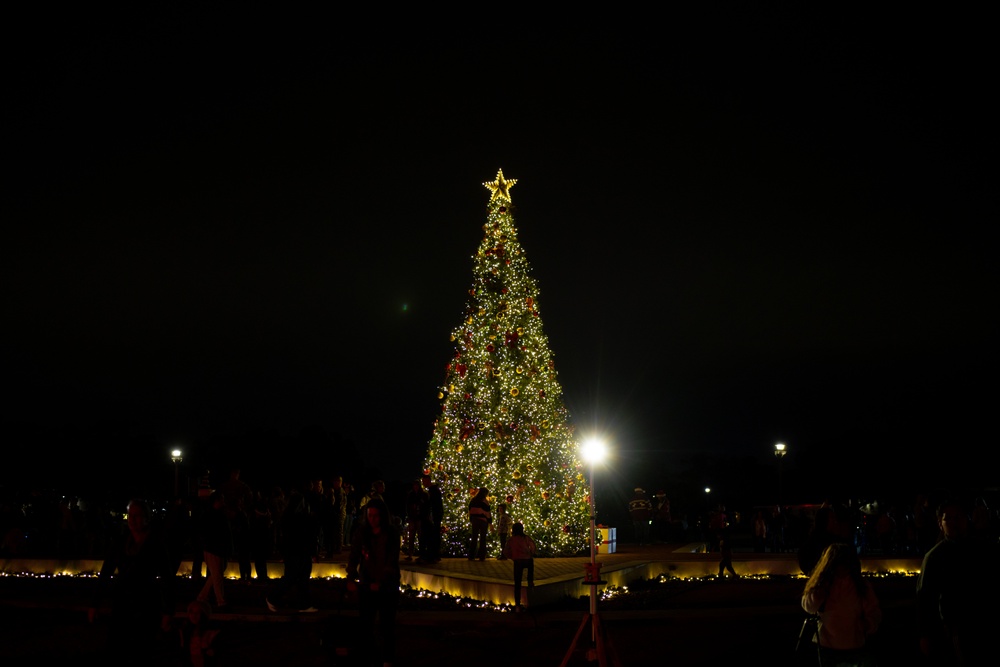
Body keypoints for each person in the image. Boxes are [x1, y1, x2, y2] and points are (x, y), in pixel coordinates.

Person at [89, 498, 176, 665]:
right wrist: (95, 603)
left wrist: (168, 611)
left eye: (137, 516)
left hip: (147, 603)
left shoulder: (156, 544)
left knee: (142, 650)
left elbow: (167, 578)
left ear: (146, 518)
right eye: (130, 515)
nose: (132, 520)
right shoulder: (121, 543)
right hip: (122, 603)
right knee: (117, 648)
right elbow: (105, 573)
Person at [916, 498, 996, 665]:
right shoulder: (934, 557)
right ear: (940, 523)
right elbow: (925, 599)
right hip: (952, 630)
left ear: (966, 519)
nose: (954, 522)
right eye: (948, 518)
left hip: (982, 626)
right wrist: (926, 634)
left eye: (958, 517)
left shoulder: (982, 551)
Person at [801, 542, 881, 667]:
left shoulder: (860, 585)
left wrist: (867, 624)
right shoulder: (826, 584)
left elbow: (873, 612)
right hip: (831, 647)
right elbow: (809, 606)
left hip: (847, 646)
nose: (842, 567)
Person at [347, 497, 401, 667]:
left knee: (387, 624)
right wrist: (351, 576)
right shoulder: (362, 533)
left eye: (376, 516)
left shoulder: (391, 534)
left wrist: (382, 582)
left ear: (383, 516)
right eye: (370, 516)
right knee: (366, 624)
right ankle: (368, 656)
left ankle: (387, 659)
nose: (372, 519)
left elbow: (392, 560)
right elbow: (354, 555)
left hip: (387, 585)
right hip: (366, 583)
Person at [266, 486, 319, 612]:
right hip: (298, 552)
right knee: (295, 577)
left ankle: (303, 604)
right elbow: (305, 535)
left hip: (295, 552)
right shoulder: (299, 518)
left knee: (299, 577)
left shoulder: (289, 517)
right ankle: (273, 598)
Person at [197, 491, 232, 610]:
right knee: (217, 576)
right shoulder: (214, 515)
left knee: (215, 574)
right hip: (214, 548)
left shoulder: (211, 514)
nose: (223, 501)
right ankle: (220, 601)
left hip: (214, 548)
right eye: (221, 499)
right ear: (216, 501)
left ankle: (202, 597)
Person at [175, 599, 221, 667]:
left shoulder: (211, 633)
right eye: (192, 612)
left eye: (198, 613)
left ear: (203, 614)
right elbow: (183, 652)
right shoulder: (184, 632)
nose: (194, 615)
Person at [502, 521, 536, 611]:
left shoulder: (511, 540)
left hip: (518, 561)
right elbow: (532, 546)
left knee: (517, 583)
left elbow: (505, 551)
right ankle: (530, 582)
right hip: (527, 559)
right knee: (530, 567)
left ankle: (517, 605)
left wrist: (512, 556)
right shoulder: (526, 538)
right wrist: (531, 553)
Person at [418, 473, 443, 563]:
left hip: (432, 517)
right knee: (433, 536)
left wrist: (431, 516)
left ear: (428, 480)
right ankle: (433, 555)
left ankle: (433, 555)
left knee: (432, 536)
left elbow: (433, 505)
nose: (423, 483)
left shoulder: (433, 491)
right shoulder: (432, 490)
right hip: (433, 517)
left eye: (424, 481)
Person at [403, 479, 427, 561]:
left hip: (419, 518)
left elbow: (425, 506)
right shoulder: (411, 495)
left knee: (421, 537)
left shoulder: (423, 495)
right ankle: (410, 554)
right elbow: (408, 506)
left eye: (417, 485)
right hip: (412, 518)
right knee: (411, 537)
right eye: (414, 485)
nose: (415, 487)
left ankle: (421, 554)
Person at [468, 486, 492, 560]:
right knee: (483, 538)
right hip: (483, 521)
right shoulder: (484, 501)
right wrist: (490, 522)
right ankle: (481, 556)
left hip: (475, 520)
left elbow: (470, 510)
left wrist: (471, 518)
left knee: (474, 538)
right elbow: (487, 512)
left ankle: (471, 556)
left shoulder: (473, 500)